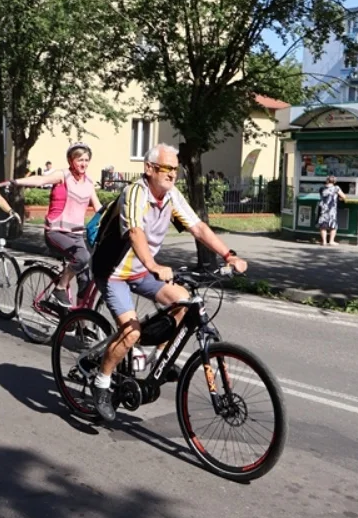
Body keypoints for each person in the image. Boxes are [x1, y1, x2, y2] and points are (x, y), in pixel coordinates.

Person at [88, 143, 248, 422]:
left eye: (176, 169)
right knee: (131, 332)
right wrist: (153, 266)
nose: (173, 174)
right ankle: (101, 384)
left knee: (184, 302)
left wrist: (228, 255)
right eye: (167, 168)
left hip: (141, 271)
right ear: (149, 169)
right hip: (113, 272)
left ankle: (158, 361)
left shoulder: (171, 196)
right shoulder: (135, 193)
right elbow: (136, 232)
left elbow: (198, 227)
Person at [5, 142, 101, 306]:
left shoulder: (89, 183)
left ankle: (79, 322)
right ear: (71, 160)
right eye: (79, 160)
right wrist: (16, 182)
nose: (83, 163)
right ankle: (60, 288)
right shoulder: (63, 175)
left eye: (86, 160)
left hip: (76, 236)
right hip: (56, 232)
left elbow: (99, 209)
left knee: (86, 278)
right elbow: (40, 180)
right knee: (83, 257)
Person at [318, 176, 347, 246]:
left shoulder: (321, 188)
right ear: (334, 182)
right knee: (333, 225)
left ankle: (324, 241)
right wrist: (339, 199)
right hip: (332, 209)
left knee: (323, 225)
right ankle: (331, 241)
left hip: (323, 209)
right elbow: (344, 196)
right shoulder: (336, 188)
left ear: (327, 181)